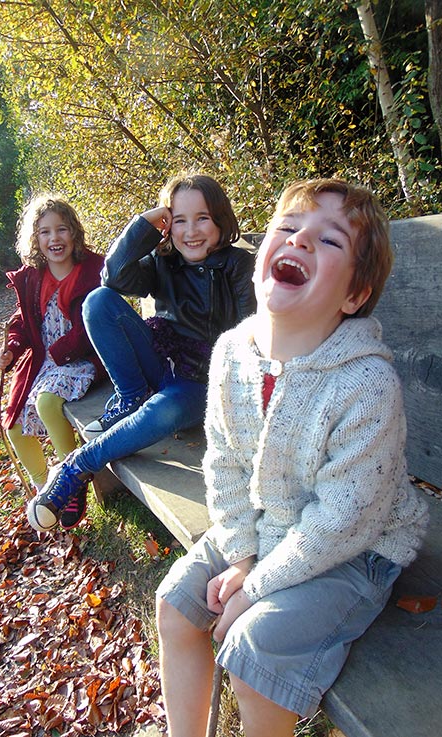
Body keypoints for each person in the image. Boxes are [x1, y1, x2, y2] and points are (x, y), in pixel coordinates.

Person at [155, 178, 429, 737]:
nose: (301, 240)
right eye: (288, 227)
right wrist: (239, 556)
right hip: (267, 525)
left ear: (353, 297)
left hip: (357, 550)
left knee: (256, 652)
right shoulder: (233, 351)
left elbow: (340, 525)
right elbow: (225, 462)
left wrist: (254, 589)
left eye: (329, 242)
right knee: (177, 602)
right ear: (261, 262)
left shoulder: (366, 385)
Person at [26, 173, 257, 532]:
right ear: (167, 224)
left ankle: (77, 466)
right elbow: (113, 278)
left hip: (200, 383)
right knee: (98, 301)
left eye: (202, 218)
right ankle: (131, 396)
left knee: (163, 410)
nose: (191, 231)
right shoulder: (164, 259)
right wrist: (143, 225)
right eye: (179, 220)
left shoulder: (238, 266)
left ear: (221, 220)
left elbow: (249, 333)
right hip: (161, 359)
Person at [0, 195, 106, 529]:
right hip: (44, 362)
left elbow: (95, 322)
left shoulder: (91, 271)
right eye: (45, 232)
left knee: (46, 403)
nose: (54, 238)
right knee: (12, 423)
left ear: (74, 233)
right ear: (35, 240)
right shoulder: (33, 277)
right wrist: (12, 348)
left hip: (82, 360)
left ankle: (70, 482)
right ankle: (46, 488)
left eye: (61, 229)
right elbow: (23, 321)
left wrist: (62, 352)